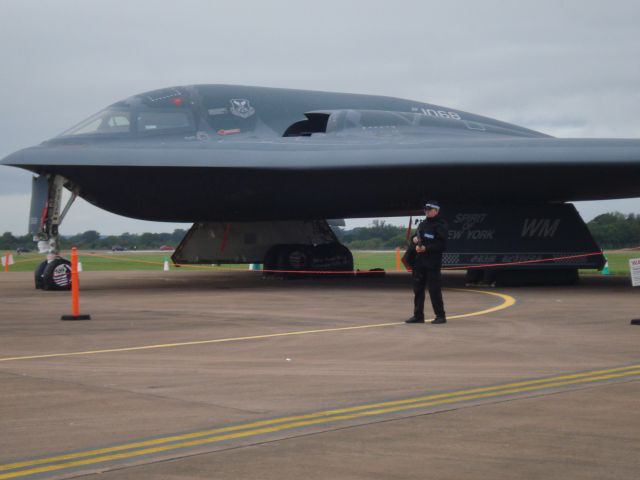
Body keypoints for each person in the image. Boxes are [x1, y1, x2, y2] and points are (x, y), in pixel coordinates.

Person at [406, 201, 448, 324]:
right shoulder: (423, 224)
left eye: (429, 209)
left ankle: (440, 316)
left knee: (434, 290)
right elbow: (415, 237)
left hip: (433, 263)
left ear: (436, 211)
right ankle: (418, 316)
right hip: (419, 263)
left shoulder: (441, 225)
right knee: (418, 289)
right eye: (425, 209)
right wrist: (414, 240)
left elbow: (442, 245)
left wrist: (426, 248)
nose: (427, 211)